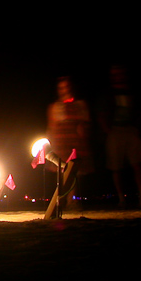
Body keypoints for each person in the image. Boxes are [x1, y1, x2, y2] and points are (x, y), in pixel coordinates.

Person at [97, 64, 141, 208]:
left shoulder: (131, 91)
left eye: (120, 73)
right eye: (114, 74)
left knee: (137, 164)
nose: (117, 77)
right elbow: (102, 113)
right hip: (115, 130)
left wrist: (137, 128)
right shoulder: (109, 93)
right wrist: (107, 130)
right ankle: (121, 199)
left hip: (130, 129)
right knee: (116, 167)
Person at [45, 76, 93, 206]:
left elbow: (86, 123)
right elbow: (51, 127)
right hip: (61, 143)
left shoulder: (80, 105)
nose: (64, 90)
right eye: (61, 88)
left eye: (66, 87)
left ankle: (72, 199)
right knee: (62, 171)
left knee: (76, 171)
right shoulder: (55, 107)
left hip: (75, 142)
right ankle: (62, 199)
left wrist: (83, 129)